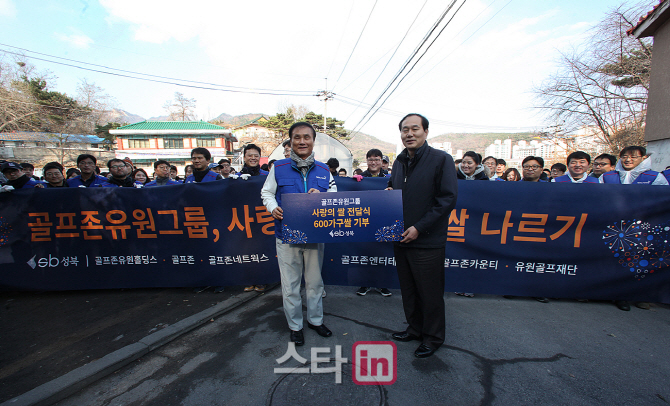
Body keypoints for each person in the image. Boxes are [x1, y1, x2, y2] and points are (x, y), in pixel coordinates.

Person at [387, 113, 458, 358]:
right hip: (400, 237)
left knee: (430, 292)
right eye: (404, 129)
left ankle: (433, 337)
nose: (409, 134)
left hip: (427, 240)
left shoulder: (441, 160)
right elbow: (393, 188)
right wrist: (388, 192)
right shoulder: (398, 162)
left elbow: (446, 199)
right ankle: (415, 328)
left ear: (425, 132)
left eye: (414, 129)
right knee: (409, 289)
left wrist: (419, 228)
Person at [261, 121, 336, 347]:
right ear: (290, 141)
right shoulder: (279, 167)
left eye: (306, 137)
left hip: (315, 236)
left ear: (313, 140)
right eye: (297, 137)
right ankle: (295, 326)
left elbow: (335, 199)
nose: (302, 141)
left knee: (314, 283)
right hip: (287, 236)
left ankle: (315, 320)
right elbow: (267, 193)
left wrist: (321, 198)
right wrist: (273, 207)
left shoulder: (324, 170)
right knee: (291, 284)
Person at [356, 148, 392, 297]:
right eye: (370, 159)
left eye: (377, 159)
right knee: (365, 253)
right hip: (365, 222)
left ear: (381, 161)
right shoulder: (360, 177)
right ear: (367, 161)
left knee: (383, 253)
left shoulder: (389, 178)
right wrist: (354, 183)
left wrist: (392, 189)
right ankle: (364, 284)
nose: (373, 162)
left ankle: (382, 285)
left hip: (383, 220)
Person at [236, 143, 269, 293]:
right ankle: (248, 280)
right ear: (244, 157)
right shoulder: (237, 177)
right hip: (243, 219)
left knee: (262, 248)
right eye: (250, 155)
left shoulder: (266, 176)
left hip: (262, 218)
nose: (253, 158)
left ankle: (262, 280)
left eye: (256, 155)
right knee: (246, 249)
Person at [599, 146, 668, 185]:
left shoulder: (654, 177)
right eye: (624, 157)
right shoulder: (606, 177)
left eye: (633, 157)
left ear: (643, 158)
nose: (628, 160)